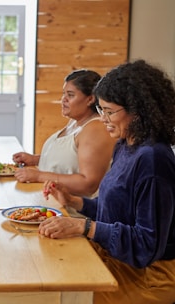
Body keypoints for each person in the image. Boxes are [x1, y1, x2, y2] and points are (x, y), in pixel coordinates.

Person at [41, 60, 175, 303]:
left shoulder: (153, 159)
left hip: (148, 275)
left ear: (138, 110)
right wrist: (75, 202)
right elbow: (118, 211)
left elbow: (147, 244)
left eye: (109, 111)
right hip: (117, 258)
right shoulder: (126, 144)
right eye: (101, 110)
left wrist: (84, 227)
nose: (102, 119)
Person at [13, 69, 116, 197]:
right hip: (49, 201)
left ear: (90, 99)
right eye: (64, 94)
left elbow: (88, 184)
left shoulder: (95, 129)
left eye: (70, 95)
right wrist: (35, 159)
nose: (63, 99)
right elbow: (70, 161)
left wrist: (39, 176)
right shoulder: (75, 122)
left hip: (72, 212)